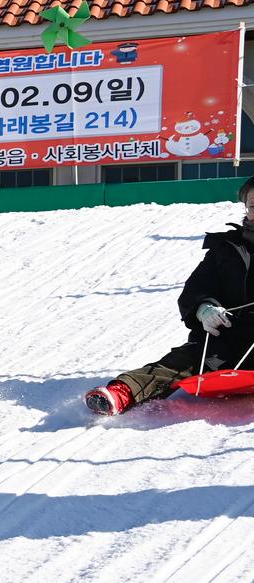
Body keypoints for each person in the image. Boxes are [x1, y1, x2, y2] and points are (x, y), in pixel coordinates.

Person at [88, 176, 254, 414]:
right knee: (182, 362)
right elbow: (197, 287)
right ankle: (121, 393)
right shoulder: (225, 249)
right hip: (225, 336)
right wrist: (204, 308)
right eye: (253, 206)